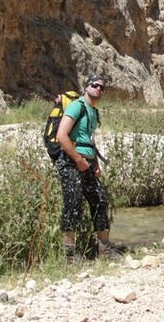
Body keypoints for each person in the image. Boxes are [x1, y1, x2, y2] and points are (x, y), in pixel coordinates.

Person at [55, 74, 121, 263]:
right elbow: (61, 135)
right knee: (72, 205)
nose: (98, 89)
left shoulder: (94, 112)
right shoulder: (77, 106)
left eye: (102, 87)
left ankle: (104, 249)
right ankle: (70, 257)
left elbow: (90, 139)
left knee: (100, 200)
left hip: (88, 163)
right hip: (71, 161)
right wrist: (77, 159)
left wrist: (96, 164)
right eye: (95, 85)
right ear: (86, 87)